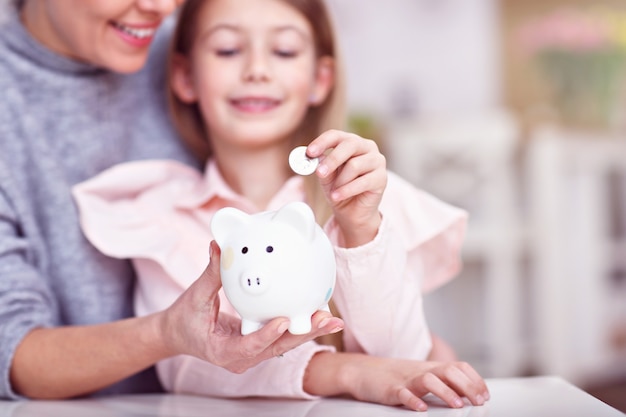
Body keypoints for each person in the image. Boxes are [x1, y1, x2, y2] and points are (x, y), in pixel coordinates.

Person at [72, 0, 490, 412]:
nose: (257, 69)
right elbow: (187, 364)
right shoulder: (161, 212)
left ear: (319, 79)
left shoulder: (368, 196)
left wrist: (360, 231)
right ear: (185, 76)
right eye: (228, 50)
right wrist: (352, 373)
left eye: (285, 51)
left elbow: (403, 363)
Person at [0, 0, 343, 401]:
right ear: (184, 79)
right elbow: (13, 350)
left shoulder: (195, 46)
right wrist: (167, 333)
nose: (161, 6)